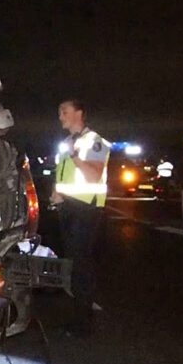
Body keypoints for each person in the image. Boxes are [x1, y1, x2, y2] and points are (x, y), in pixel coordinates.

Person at [50, 99, 109, 335]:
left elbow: (94, 175)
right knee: (74, 262)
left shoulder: (95, 141)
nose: (60, 117)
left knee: (80, 263)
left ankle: (83, 322)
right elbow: (62, 173)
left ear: (79, 113)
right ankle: (80, 312)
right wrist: (57, 192)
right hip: (68, 206)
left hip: (86, 207)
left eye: (64, 112)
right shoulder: (66, 142)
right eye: (59, 112)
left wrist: (74, 154)